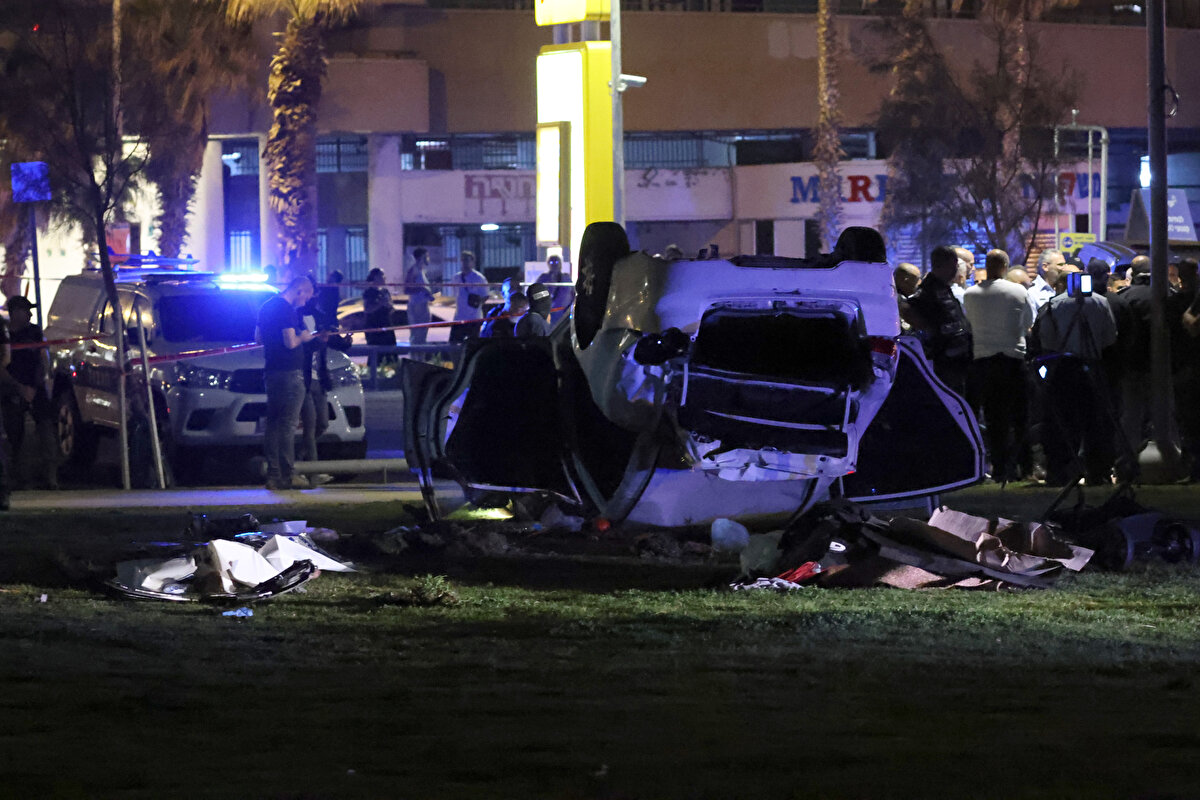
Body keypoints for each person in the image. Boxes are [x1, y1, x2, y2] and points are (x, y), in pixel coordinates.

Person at [1036, 267, 1119, 486]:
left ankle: (1061, 471)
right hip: (1093, 364)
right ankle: (1097, 471)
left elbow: (1047, 340)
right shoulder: (1100, 302)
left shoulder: (1053, 305)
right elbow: (1110, 336)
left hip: (1064, 367)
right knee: (1096, 421)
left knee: (1063, 421)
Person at [962, 249, 1033, 483]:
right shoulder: (1018, 291)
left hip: (984, 361)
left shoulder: (970, 295)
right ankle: (1025, 465)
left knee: (994, 419)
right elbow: (1028, 321)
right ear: (1005, 266)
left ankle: (1001, 468)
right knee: (1020, 417)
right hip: (1013, 359)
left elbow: (969, 324)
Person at [257, 275, 323, 491]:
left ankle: (273, 476)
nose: (305, 302)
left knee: (273, 424)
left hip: (271, 371)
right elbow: (290, 342)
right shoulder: (286, 310)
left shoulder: (266, 306)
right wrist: (304, 337)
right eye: (306, 297)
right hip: (289, 372)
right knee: (287, 424)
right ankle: (289, 474)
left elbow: (257, 337)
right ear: (299, 291)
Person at [0, 296, 58, 489]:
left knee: (47, 430)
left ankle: (50, 477)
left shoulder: (34, 332)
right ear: (15, 312)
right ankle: (18, 478)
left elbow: (43, 360)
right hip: (12, 388)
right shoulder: (5, 334)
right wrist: (19, 388)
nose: (30, 314)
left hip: (35, 387)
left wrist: (36, 386)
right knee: (15, 434)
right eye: (26, 310)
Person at [905, 244, 974, 396]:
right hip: (944, 362)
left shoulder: (943, 288)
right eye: (953, 266)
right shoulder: (928, 292)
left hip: (957, 360)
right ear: (944, 265)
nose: (956, 270)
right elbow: (910, 311)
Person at [1107, 255, 1153, 460]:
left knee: (1130, 416)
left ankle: (1127, 460)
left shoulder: (1123, 297)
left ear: (1132, 274)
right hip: (1161, 366)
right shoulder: (1166, 293)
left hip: (1129, 365)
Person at [450, 251, 489, 343]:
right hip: (459, 316)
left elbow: (485, 295)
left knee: (473, 342)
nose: (464, 263)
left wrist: (477, 303)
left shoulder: (479, 278)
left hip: (474, 317)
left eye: (467, 260)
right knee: (454, 342)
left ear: (472, 262)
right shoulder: (456, 277)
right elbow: (455, 294)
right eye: (463, 260)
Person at [404, 248, 437, 346]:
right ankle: (415, 357)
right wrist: (423, 289)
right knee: (417, 336)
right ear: (422, 257)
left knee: (422, 336)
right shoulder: (414, 270)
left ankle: (419, 357)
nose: (428, 259)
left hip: (422, 305)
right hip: (417, 306)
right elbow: (407, 289)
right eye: (426, 256)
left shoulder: (421, 271)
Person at [362, 267, 397, 350]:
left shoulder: (385, 291)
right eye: (382, 275)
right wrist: (380, 303)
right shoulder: (369, 292)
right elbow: (367, 309)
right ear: (375, 277)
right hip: (374, 326)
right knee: (376, 353)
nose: (384, 277)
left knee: (390, 350)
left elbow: (391, 307)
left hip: (386, 325)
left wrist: (390, 306)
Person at [535, 254, 574, 325]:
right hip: (548, 313)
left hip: (564, 313)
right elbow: (535, 295)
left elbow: (573, 293)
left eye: (556, 262)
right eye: (551, 263)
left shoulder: (566, 278)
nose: (554, 265)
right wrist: (549, 290)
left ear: (560, 264)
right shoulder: (543, 278)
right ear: (548, 264)